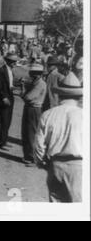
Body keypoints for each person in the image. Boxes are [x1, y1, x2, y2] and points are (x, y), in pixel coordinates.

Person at [34, 73, 83, 203]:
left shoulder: (48, 114)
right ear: (79, 96)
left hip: (55, 165)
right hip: (78, 167)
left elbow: (39, 144)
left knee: (57, 207)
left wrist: (42, 162)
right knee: (77, 207)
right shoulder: (84, 115)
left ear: (60, 95)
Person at [20, 64, 47, 166]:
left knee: (31, 133)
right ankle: (28, 155)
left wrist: (23, 93)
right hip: (29, 108)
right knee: (26, 132)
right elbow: (25, 96)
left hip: (34, 109)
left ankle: (33, 157)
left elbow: (28, 97)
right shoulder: (35, 82)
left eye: (32, 72)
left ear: (36, 74)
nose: (30, 74)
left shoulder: (40, 84)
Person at [0, 53, 18, 149]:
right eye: (13, 61)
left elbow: (8, 84)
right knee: (4, 120)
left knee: (8, 120)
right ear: (8, 61)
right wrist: (4, 97)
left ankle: (3, 140)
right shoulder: (0, 71)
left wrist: (14, 87)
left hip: (9, 96)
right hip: (2, 99)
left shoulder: (11, 71)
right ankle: (2, 142)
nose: (15, 63)